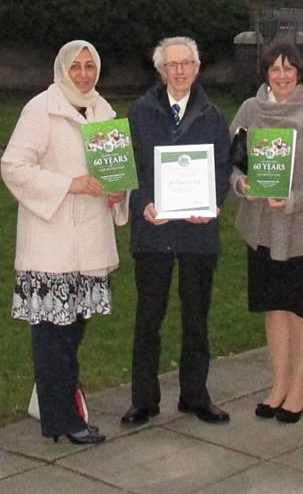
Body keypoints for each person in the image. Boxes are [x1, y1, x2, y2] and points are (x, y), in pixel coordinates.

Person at [1, 40, 127, 445]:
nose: (85, 74)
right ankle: (64, 420)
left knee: (72, 333)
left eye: (90, 66)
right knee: (53, 337)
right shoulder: (41, 109)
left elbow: (118, 177)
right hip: (51, 244)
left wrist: (117, 194)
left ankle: (53, 401)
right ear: (61, 69)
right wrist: (69, 184)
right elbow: (14, 167)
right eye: (77, 66)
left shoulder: (103, 112)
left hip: (89, 244)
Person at [121, 36, 232, 426]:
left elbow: (222, 171)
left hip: (197, 236)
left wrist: (213, 204)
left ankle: (195, 395)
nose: (180, 71)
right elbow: (129, 168)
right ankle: (143, 399)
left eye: (187, 63)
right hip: (153, 233)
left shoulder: (214, 116)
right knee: (148, 318)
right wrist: (143, 203)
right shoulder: (140, 112)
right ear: (161, 70)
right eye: (172, 65)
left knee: (196, 318)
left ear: (197, 68)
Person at [229, 41, 303, 424]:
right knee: (274, 308)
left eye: (289, 68)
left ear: (300, 72)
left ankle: (300, 385)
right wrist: (243, 186)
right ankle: (278, 383)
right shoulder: (249, 110)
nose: (282, 75)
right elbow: (234, 162)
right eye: (275, 68)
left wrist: (291, 200)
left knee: (301, 309)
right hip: (262, 227)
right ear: (265, 73)